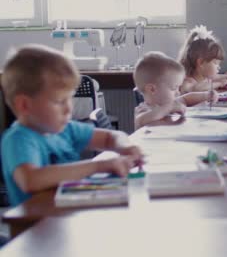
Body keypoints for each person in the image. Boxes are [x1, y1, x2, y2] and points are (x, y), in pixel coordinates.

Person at [0, 45, 143, 206]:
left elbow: (110, 137)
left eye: (70, 99)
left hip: (64, 216)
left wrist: (126, 147)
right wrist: (98, 166)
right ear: (24, 105)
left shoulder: (66, 129)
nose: (69, 108)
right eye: (60, 101)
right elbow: (31, 179)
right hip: (34, 226)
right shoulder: (18, 139)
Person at [133, 51, 217, 130]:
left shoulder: (170, 103)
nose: (178, 92)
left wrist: (206, 95)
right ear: (152, 89)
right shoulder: (144, 109)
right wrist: (169, 108)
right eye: (174, 88)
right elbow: (141, 120)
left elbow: (186, 98)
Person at [178, 25, 227, 93]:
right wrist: (219, 83)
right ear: (200, 62)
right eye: (215, 63)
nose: (219, 67)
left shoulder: (205, 77)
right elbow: (192, 89)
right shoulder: (188, 81)